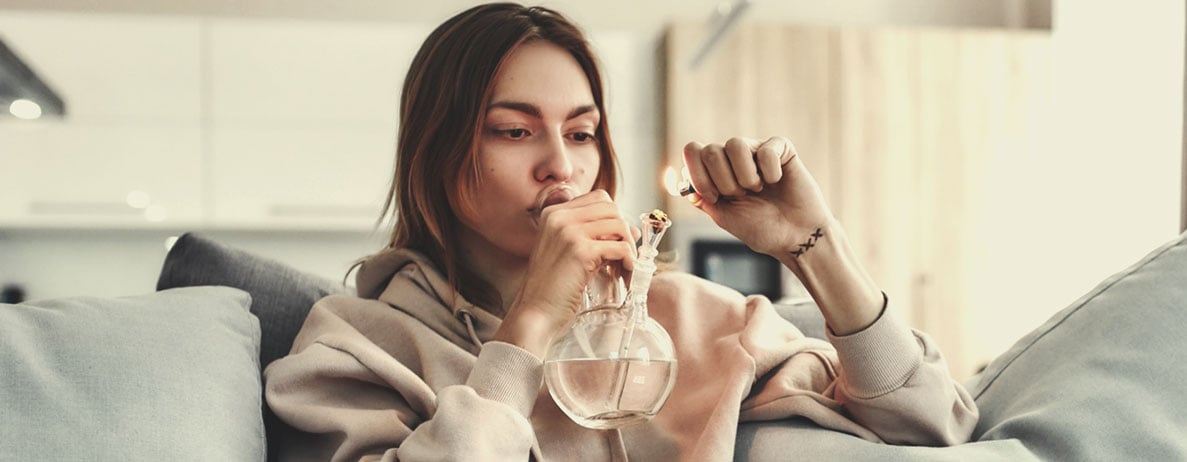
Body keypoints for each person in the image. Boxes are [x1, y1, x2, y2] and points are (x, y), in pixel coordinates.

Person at [263, 3, 978, 461]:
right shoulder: (353, 345)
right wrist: (532, 323)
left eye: (581, 132)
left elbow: (931, 425)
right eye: (514, 131)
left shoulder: (679, 317)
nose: (561, 167)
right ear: (433, 152)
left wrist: (812, 244)